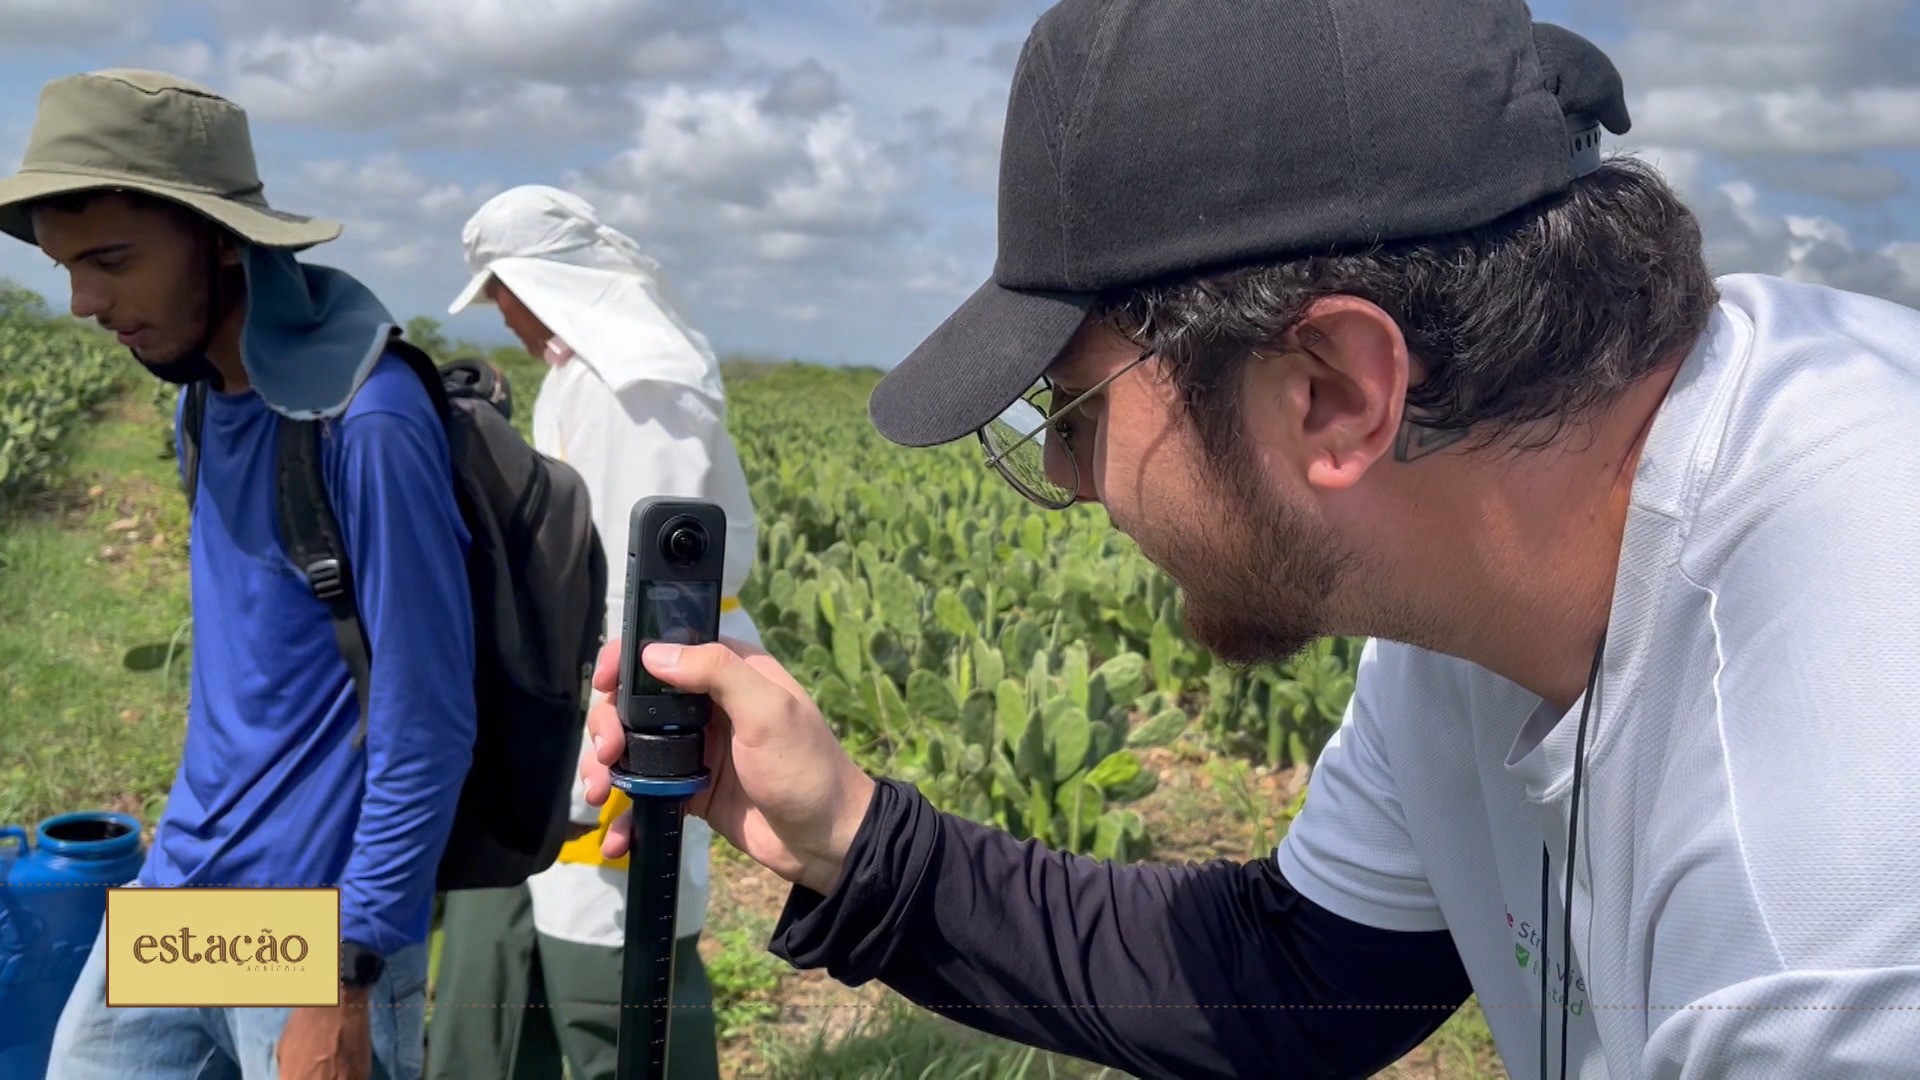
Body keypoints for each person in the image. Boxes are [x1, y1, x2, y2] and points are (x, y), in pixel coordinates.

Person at [570, 2, 1920, 1078]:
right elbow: (1306, 981)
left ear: (1330, 388)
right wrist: (855, 842)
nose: (1067, 472)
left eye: (1075, 407)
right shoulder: (1479, 552)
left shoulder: (1827, 903)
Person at [0, 70, 477, 1080]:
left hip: (309, 931)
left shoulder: (369, 420)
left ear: (219, 236)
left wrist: (345, 975)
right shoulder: (202, 402)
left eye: (114, 260)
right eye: (66, 267)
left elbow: (424, 718)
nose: (85, 302)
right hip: (183, 894)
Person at [426, 185, 759, 1080]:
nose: (500, 314)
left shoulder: (633, 385)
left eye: (501, 290)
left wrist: (620, 744)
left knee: (614, 964)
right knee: (545, 942)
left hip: (627, 700)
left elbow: (643, 588)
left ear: (539, 283)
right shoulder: (600, 371)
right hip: (587, 693)